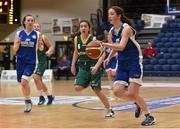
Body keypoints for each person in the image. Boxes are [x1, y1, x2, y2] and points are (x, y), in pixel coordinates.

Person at [103, 6, 156, 125]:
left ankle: (149, 116)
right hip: (121, 63)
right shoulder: (112, 31)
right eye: (109, 14)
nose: (109, 16)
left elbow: (121, 46)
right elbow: (116, 47)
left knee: (132, 93)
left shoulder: (126, 29)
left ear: (119, 15)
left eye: (112, 14)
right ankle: (136, 102)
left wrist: (104, 44)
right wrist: (109, 57)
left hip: (134, 62)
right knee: (117, 91)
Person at [71, 20, 114, 118]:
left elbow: (103, 54)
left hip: (94, 66)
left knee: (97, 90)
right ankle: (88, 81)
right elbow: (76, 52)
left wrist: (97, 66)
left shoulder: (93, 39)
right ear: (79, 28)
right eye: (81, 26)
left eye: (85, 26)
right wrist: (73, 65)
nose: (83, 28)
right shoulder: (76, 39)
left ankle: (109, 110)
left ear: (89, 28)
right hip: (83, 66)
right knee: (77, 88)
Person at [13, 14, 41, 112]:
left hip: (32, 62)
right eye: (28, 20)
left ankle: (27, 102)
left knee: (24, 81)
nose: (30, 22)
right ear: (24, 22)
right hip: (20, 61)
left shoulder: (37, 34)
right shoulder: (18, 33)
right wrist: (18, 43)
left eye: (32, 20)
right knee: (23, 84)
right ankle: (27, 100)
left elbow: (40, 47)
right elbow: (14, 50)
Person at [33, 23, 55, 105]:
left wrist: (49, 51)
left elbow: (51, 46)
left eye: (38, 26)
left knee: (36, 77)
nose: (36, 28)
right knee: (39, 80)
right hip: (33, 62)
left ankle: (41, 97)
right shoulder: (30, 39)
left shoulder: (43, 37)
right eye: (34, 26)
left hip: (42, 62)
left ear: (40, 28)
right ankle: (49, 96)